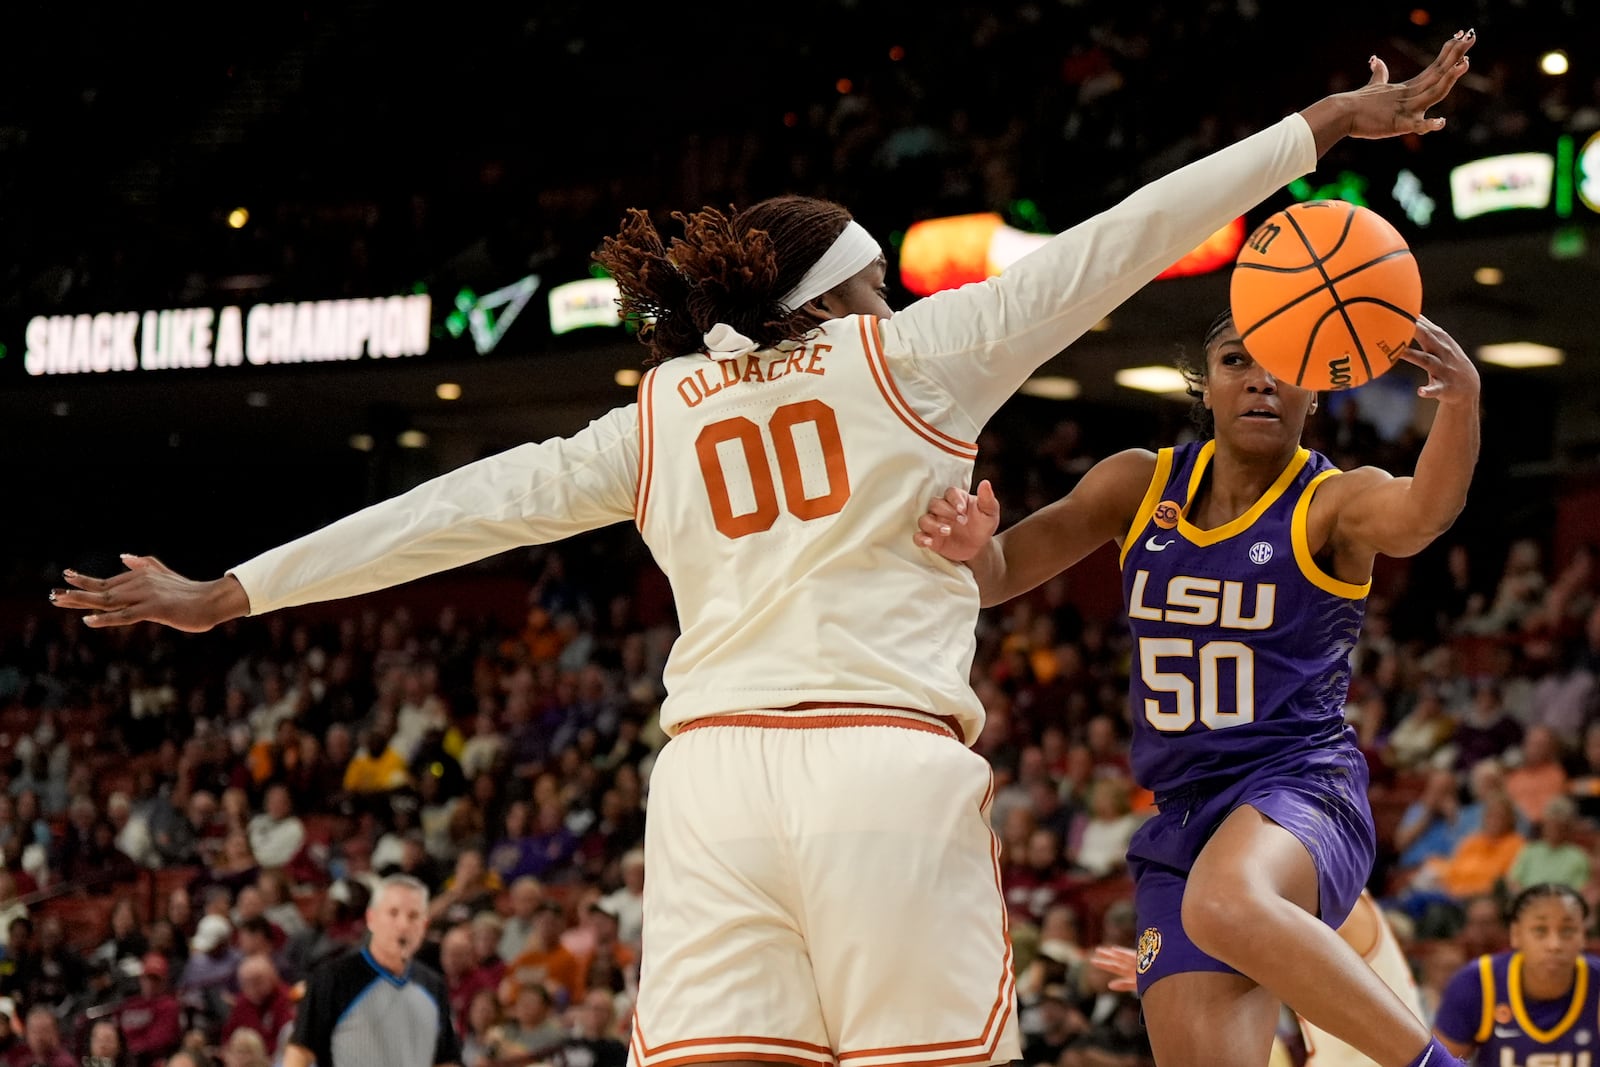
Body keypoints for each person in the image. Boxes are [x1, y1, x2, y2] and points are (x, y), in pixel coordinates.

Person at [49, 30, 1477, 1067]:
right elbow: (1120, 237)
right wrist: (1326, 125)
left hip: (710, 789)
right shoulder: (909, 353)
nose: (889, 288)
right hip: (879, 768)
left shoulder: (663, 408)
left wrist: (238, 587)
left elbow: (464, 505)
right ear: (838, 297)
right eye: (873, 276)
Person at [918, 305, 1480, 1067]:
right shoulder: (1138, 482)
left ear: (1313, 394)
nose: (1259, 381)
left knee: (1224, 901)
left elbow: (1421, 515)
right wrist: (974, 551)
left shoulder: (1331, 502)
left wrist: (1461, 405)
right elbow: (1003, 574)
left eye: (1282, 366)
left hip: (1299, 786)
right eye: (1237, 362)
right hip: (1182, 815)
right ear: (1206, 386)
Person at [1091, 890, 1426, 1067]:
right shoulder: (1306, 904)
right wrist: (1175, 967)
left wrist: (1179, 964)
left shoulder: (1341, 903)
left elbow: (1257, 946)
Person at [283, 874, 460, 1067]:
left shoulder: (433, 985)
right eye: (393, 913)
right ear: (371, 918)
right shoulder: (331, 980)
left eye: (413, 916)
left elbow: (445, 1060)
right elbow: (299, 1054)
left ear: (423, 926)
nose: (403, 925)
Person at [1432, 883, 1600, 1063]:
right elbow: (1438, 1063)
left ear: (1583, 935)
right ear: (1516, 934)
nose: (1554, 945)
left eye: (1567, 931)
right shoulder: (1478, 982)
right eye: (1540, 930)